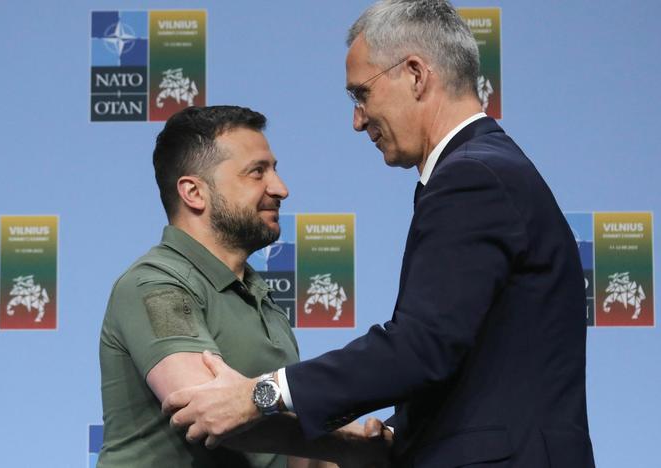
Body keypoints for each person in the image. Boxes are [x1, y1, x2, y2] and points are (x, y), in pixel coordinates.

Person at [163, 1, 596, 467]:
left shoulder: (473, 178)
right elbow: (468, 366)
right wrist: (389, 436)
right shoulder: (488, 169)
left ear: (415, 74)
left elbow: (420, 348)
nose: (357, 119)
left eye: (361, 94)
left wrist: (259, 394)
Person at [97, 105, 389, 468]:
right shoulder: (153, 285)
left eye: (275, 170)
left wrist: (374, 447)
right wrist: (348, 445)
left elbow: (293, 458)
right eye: (257, 173)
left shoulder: (261, 297)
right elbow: (208, 412)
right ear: (194, 193)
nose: (280, 189)